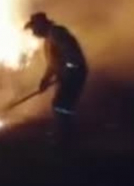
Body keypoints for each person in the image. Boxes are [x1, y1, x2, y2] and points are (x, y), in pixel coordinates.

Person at [24, 12, 88, 144]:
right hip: (68, 73)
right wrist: (45, 79)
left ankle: (66, 137)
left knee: (61, 104)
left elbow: (71, 54)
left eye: (34, 28)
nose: (33, 32)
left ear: (41, 25)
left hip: (75, 72)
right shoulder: (49, 39)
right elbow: (53, 64)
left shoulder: (57, 33)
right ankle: (64, 134)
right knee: (60, 104)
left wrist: (69, 70)